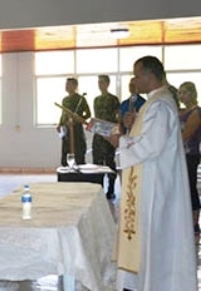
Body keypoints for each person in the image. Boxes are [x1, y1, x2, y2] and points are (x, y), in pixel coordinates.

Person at [107, 56, 196, 291]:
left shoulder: (160, 104)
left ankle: (155, 283)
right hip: (151, 177)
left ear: (149, 75)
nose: (134, 80)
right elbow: (151, 136)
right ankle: (143, 281)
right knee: (148, 235)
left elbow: (152, 145)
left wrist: (120, 142)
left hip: (155, 183)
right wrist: (136, 122)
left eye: (137, 75)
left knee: (153, 234)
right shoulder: (156, 103)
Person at [92, 75, 120, 200]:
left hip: (109, 134)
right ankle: (99, 189)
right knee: (97, 163)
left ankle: (111, 189)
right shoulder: (96, 100)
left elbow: (118, 117)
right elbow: (96, 116)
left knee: (109, 162)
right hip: (98, 133)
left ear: (108, 84)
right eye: (98, 82)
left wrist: (116, 133)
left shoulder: (113, 99)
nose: (100, 84)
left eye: (102, 82)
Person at [178, 81, 201, 235]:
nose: (181, 95)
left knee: (190, 187)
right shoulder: (182, 111)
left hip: (190, 154)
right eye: (179, 93)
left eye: (184, 92)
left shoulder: (196, 112)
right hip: (181, 154)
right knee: (182, 188)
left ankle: (194, 222)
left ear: (192, 93)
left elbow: (187, 134)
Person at [57, 77, 91, 166]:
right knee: (66, 153)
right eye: (66, 84)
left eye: (69, 84)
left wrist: (77, 119)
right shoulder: (65, 100)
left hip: (77, 130)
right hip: (67, 130)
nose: (66, 86)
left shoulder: (80, 99)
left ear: (75, 86)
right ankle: (66, 175)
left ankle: (80, 176)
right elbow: (63, 114)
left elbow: (88, 114)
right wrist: (60, 124)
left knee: (79, 153)